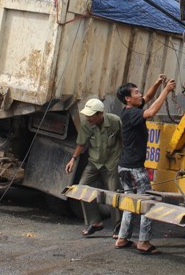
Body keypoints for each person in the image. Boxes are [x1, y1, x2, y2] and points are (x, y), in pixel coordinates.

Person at [114, 74, 176, 255]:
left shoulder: (128, 111)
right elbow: (150, 112)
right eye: (136, 92)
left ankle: (122, 238)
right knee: (146, 203)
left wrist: (157, 83)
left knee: (130, 201)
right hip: (134, 168)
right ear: (128, 98)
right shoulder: (133, 114)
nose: (140, 94)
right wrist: (166, 90)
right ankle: (143, 242)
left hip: (124, 166)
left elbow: (147, 98)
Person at [65, 98, 122, 238]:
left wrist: (124, 160)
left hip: (111, 163)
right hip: (94, 162)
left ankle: (118, 228)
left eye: (90, 115)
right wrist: (73, 159)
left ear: (100, 114)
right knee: (82, 188)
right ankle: (95, 222)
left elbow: (123, 139)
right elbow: (81, 143)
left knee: (114, 193)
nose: (87, 118)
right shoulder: (86, 124)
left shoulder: (115, 121)